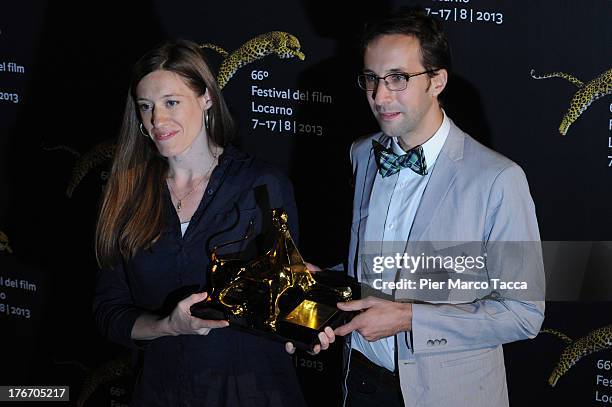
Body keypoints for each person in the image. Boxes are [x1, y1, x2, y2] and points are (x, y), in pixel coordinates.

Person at [309, 9, 545, 407]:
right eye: (371, 79)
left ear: (437, 81)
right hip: (361, 382)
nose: (380, 96)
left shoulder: (498, 180)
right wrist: (327, 283)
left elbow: (523, 314)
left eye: (398, 78)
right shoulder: (363, 154)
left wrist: (410, 319)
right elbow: (376, 269)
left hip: (447, 394)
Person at [93, 39, 306, 407]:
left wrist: (304, 327)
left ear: (206, 97)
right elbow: (109, 311)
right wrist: (166, 326)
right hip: (161, 393)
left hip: (253, 393)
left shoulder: (260, 186)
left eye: (171, 102)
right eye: (146, 107)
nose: (158, 120)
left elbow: (292, 300)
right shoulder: (126, 194)